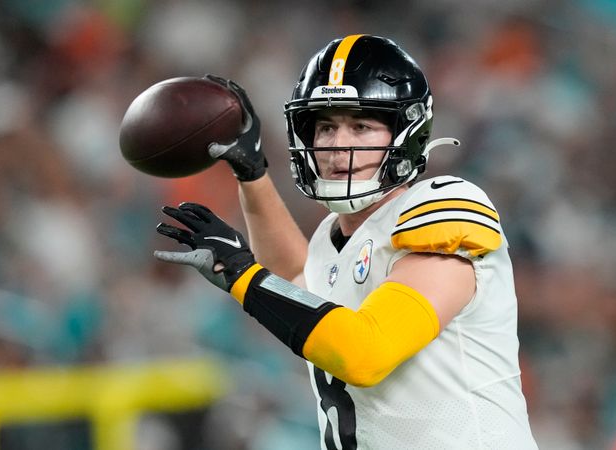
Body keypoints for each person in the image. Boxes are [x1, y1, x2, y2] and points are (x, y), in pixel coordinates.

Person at [154, 34, 538, 449]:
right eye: (325, 127)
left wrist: (241, 274)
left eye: (360, 126)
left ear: (406, 131)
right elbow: (294, 282)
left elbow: (365, 351)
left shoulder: (444, 205)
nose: (338, 146)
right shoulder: (332, 237)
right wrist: (253, 174)